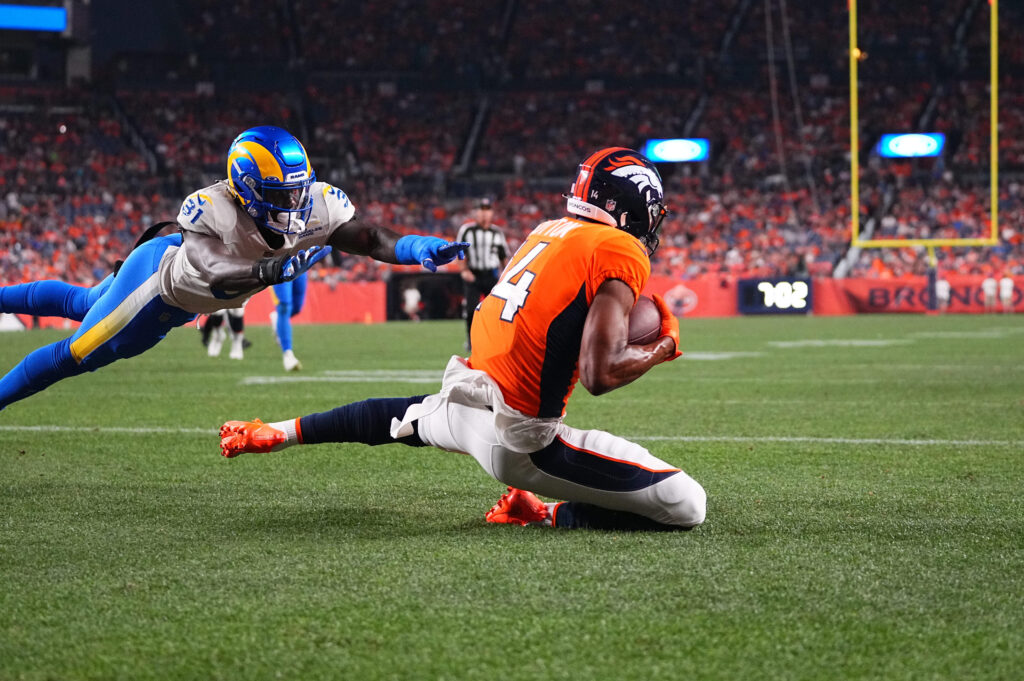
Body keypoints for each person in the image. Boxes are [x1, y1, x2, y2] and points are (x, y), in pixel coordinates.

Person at [220, 147, 707, 531]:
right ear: (631, 207)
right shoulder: (619, 246)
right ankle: (545, 514)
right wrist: (663, 344)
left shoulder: (546, 231)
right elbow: (600, 375)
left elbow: (382, 414)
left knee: (405, 416)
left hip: (471, 405)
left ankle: (528, 502)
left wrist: (279, 431)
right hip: (529, 444)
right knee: (687, 505)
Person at [0, 125, 468, 411]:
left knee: (81, 302)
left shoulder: (314, 203)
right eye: (282, 193)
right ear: (245, 187)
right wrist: (268, 272)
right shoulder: (215, 208)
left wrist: (416, 246)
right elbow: (213, 268)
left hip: (179, 296)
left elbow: (369, 238)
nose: (296, 202)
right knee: (77, 354)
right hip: (156, 290)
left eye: (299, 190)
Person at [457, 197, 508, 351]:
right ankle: (471, 340)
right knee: (471, 309)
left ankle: (494, 340)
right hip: (473, 274)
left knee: (496, 310)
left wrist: (507, 277)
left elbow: (503, 256)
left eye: (487, 210)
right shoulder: (467, 230)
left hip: (491, 275)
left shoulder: (497, 232)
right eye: (481, 210)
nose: (484, 214)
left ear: (492, 213)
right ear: (476, 213)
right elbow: (460, 251)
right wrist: (464, 270)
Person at [269, 273, 309, 371]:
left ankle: (278, 321)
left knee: (297, 307)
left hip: (300, 263)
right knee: (284, 306)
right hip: (279, 265)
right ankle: (288, 354)